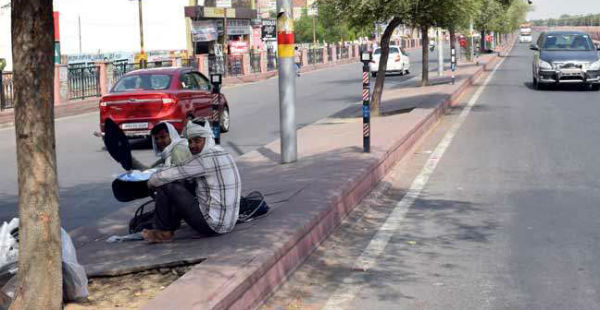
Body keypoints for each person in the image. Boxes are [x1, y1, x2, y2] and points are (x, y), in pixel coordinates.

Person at [142, 119, 241, 243]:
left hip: (213, 226)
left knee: (166, 185)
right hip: (228, 223)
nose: (192, 145)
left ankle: (163, 232)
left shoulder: (204, 159)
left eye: (197, 141)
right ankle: (167, 227)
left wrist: (150, 183)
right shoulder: (222, 152)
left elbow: (165, 176)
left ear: (207, 139)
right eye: (190, 141)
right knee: (179, 185)